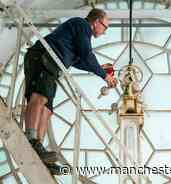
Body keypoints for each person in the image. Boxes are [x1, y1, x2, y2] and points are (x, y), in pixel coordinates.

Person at [23, 8, 117, 175]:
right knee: (39, 97)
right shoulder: (81, 25)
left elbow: (80, 60)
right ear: (96, 22)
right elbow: (86, 55)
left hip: (53, 65)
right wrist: (104, 75)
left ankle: (40, 153)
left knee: (47, 109)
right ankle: (31, 139)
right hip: (43, 58)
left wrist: (98, 68)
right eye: (105, 27)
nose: (104, 32)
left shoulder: (79, 34)